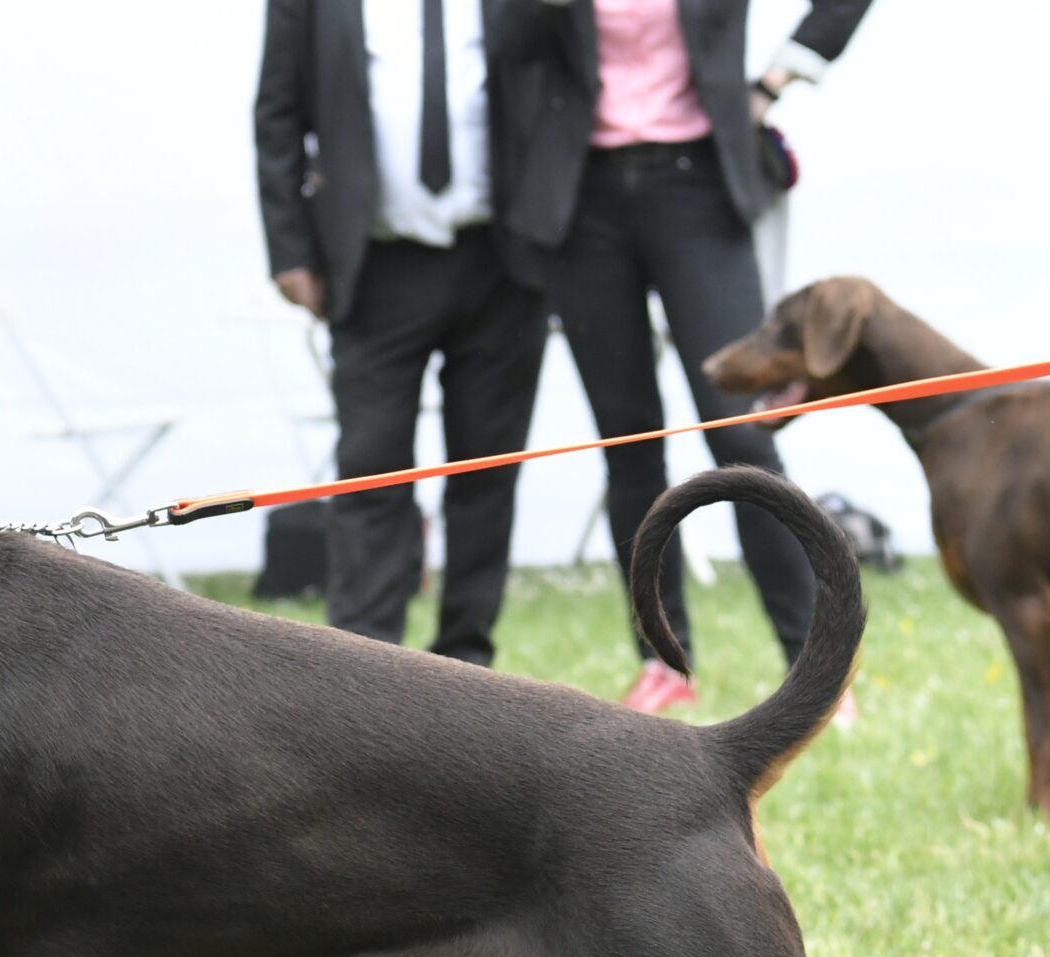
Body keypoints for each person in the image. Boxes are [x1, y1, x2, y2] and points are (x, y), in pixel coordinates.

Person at [491, 0, 871, 714]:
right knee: (629, 442)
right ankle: (664, 663)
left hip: (699, 187)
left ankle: (814, 666)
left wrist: (779, 78)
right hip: (582, 196)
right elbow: (509, 43)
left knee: (742, 436)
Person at [254, 0, 547, 669]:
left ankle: (468, 664)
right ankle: (364, 669)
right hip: (374, 265)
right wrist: (290, 249)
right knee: (370, 470)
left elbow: (564, 81)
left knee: (486, 473)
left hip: (502, 260)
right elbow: (277, 113)